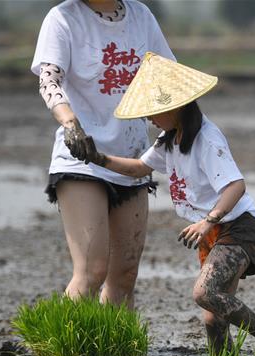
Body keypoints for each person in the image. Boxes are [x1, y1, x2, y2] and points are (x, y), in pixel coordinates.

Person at [77, 53, 255, 354]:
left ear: (174, 106)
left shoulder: (206, 139)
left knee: (204, 293)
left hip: (239, 228)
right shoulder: (169, 138)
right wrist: (96, 158)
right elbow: (139, 168)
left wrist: (209, 221)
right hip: (214, 232)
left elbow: (236, 186)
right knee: (212, 317)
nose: (148, 118)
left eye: (153, 111)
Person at [31, 0, 174, 307]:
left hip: (132, 158)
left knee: (124, 275)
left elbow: (165, 76)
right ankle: (62, 351)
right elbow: (49, 79)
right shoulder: (63, 18)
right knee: (92, 270)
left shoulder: (140, 15)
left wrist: (185, 131)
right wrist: (70, 122)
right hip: (83, 156)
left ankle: (117, 354)